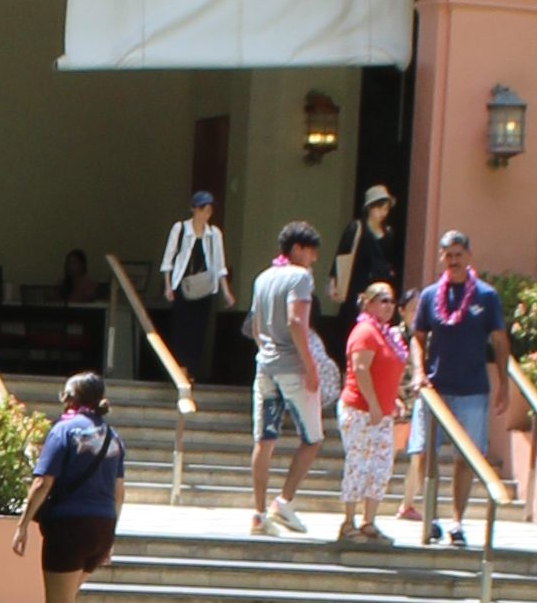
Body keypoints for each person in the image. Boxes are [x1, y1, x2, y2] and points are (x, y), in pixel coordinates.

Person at [14, 363, 126, 603]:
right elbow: (119, 492)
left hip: (68, 528)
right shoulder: (112, 438)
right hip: (101, 526)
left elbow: (42, 482)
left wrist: (22, 524)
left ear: (70, 399)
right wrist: (110, 537)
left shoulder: (63, 432)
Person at [406, 229, 507, 542]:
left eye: (458, 254)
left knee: (466, 458)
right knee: (424, 453)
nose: (453, 260)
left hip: (472, 390)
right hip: (435, 389)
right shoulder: (429, 295)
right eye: (447, 255)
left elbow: (500, 341)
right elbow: (418, 338)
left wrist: (504, 384)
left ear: (469, 256)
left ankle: (457, 522)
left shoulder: (486, 296)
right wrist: (418, 371)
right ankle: (430, 516)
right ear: (441, 258)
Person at [247, 219, 331, 531]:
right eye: (311, 251)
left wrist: (265, 350)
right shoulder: (300, 278)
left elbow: (255, 326)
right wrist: (310, 367)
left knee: (264, 439)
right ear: (297, 249)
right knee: (312, 438)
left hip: (265, 365)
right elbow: (298, 322)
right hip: (293, 366)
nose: (314, 258)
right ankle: (285, 500)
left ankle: (258, 513)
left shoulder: (263, 277)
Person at [336, 277, 408, 551]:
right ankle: (349, 521)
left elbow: (387, 371)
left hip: (382, 413)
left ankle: (369, 521)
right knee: (359, 463)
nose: (389, 305)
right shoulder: (365, 331)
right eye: (382, 300)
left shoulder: (387, 333)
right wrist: (374, 404)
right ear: (368, 303)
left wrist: (394, 399)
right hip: (360, 410)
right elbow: (361, 369)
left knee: (380, 466)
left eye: (392, 300)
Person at [158, 185, 234, 384]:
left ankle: (190, 369)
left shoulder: (214, 233)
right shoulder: (180, 228)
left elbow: (219, 264)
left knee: (199, 330)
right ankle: (180, 368)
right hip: (183, 285)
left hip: (205, 287)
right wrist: (168, 286)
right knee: (182, 327)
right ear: (193, 209)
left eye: (209, 209)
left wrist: (226, 291)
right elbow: (169, 259)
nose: (206, 213)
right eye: (202, 208)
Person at [332, 178, 401, 336]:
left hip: (380, 282)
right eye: (380, 208)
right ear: (370, 208)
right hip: (358, 283)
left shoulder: (389, 232)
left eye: (386, 209)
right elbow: (342, 255)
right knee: (353, 322)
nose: (383, 213)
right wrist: (334, 281)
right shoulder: (356, 228)